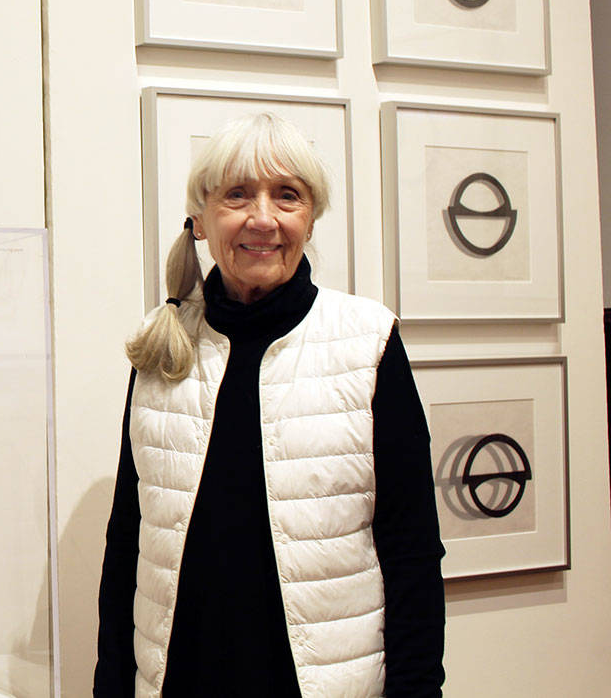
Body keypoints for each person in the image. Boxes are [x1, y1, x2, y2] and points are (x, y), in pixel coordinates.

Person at [94, 113, 445, 698]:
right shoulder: (161, 347)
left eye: (287, 195)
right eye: (237, 195)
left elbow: (411, 549)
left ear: (309, 218)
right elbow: (127, 543)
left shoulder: (368, 341)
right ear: (201, 221)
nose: (263, 218)